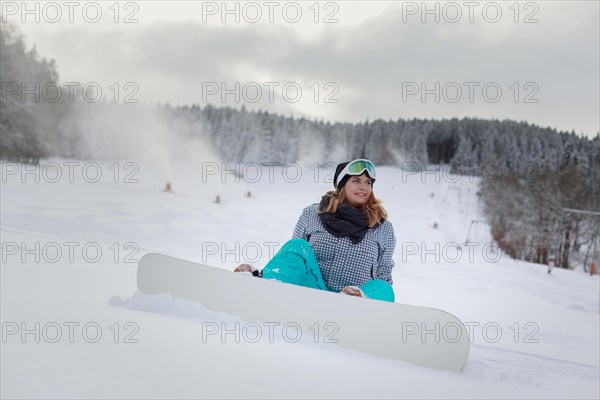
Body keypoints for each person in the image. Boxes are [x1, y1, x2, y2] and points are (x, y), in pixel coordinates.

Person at [235, 159, 397, 302]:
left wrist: (374, 293)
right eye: (356, 180)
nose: (363, 187)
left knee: (383, 287)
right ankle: (269, 285)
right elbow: (295, 257)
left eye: (368, 182)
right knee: (297, 246)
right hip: (312, 291)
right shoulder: (312, 214)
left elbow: (384, 273)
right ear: (342, 185)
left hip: (356, 303)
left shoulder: (384, 228)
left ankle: (352, 299)